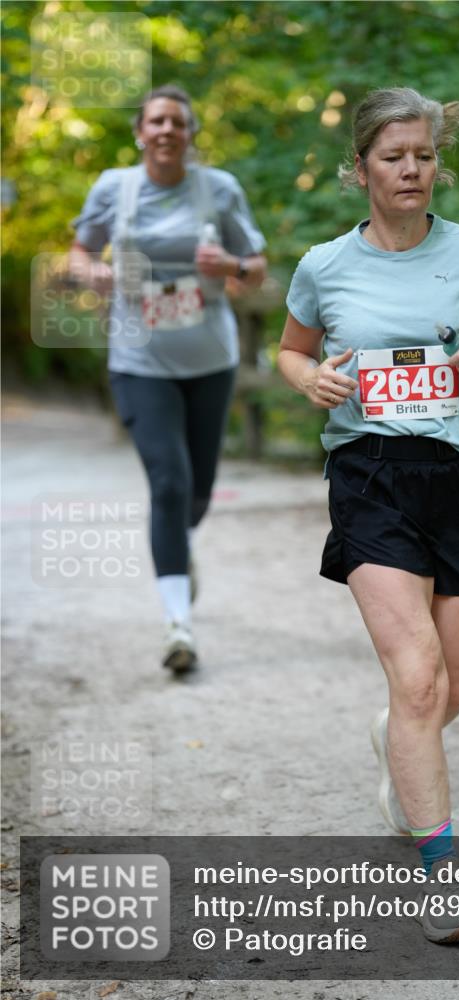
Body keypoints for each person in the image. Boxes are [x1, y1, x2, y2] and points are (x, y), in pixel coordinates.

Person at [278, 88, 459, 943]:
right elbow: (290, 349)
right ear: (360, 169)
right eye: (393, 158)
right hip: (369, 476)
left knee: (446, 688)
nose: (412, 171)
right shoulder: (324, 265)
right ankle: (440, 880)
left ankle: (396, 742)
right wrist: (307, 378)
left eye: (424, 156)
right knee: (419, 677)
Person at [70, 85, 267, 671]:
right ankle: (178, 625)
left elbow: (255, 269)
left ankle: (177, 544)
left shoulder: (220, 189)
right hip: (139, 362)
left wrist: (230, 266)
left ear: (190, 134)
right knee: (170, 481)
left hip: (211, 359)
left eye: (176, 123)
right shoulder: (114, 188)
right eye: (155, 121)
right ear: (139, 131)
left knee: (198, 490)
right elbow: (79, 254)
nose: (165, 131)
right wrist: (95, 276)